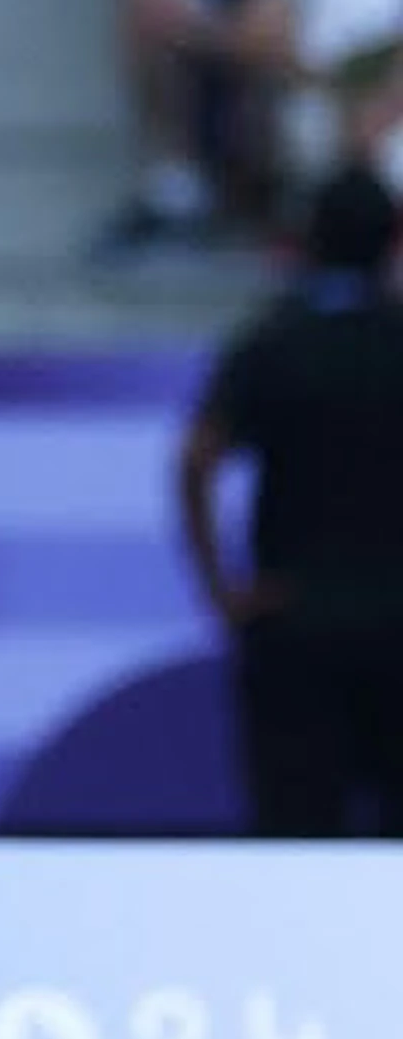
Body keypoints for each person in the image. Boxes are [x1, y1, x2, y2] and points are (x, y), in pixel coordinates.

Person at [177, 165, 403, 838]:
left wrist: (223, 587)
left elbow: (197, 459)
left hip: (293, 620)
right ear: (393, 240)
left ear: (308, 241)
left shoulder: (273, 344)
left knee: (295, 838)